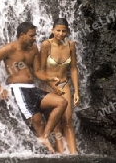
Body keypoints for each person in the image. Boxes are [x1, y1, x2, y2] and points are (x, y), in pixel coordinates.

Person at [0, 22, 68, 154]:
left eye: (35, 35)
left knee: (61, 102)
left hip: (33, 88)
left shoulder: (33, 48)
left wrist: (51, 81)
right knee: (38, 121)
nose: (34, 38)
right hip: (18, 89)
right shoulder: (9, 48)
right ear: (22, 35)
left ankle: (45, 137)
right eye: (31, 35)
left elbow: (38, 72)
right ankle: (46, 150)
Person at [36, 18, 79, 154]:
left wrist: (76, 91)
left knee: (68, 120)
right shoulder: (46, 45)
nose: (60, 33)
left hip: (64, 83)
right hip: (48, 85)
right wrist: (51, 85)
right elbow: (40, 71)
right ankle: (60, 155)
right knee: (56, 124)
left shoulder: (71, 45)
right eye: (58, 30)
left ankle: (74, 154)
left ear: (67, 31)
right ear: (52, 30)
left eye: (63, 31)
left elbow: (73, 69)